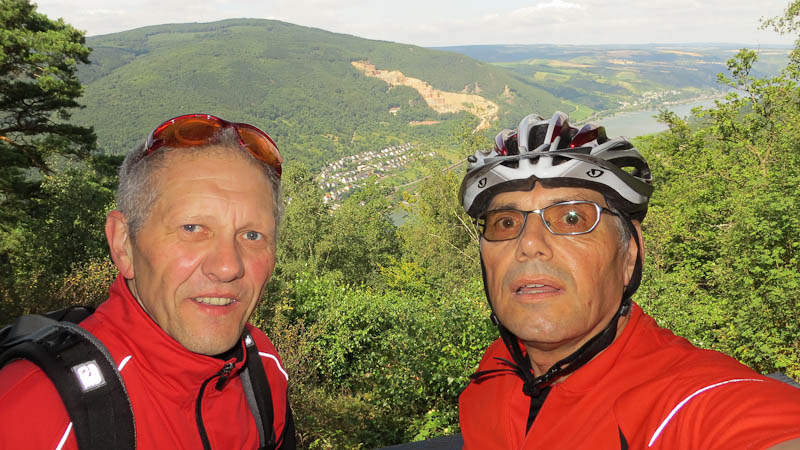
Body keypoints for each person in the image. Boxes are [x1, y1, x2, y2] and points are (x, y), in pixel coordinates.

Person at [457, 111, 800, 449]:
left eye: (572, 218)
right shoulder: (493, 374)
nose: (528, 244)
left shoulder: (689, 399)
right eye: (505, 222)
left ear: (629, 254)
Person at [0, 114, 296, 449]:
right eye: (192, 228)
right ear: (124, 244)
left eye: (253, 235)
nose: (228, 267)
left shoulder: (260, 373)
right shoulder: (32, 416)